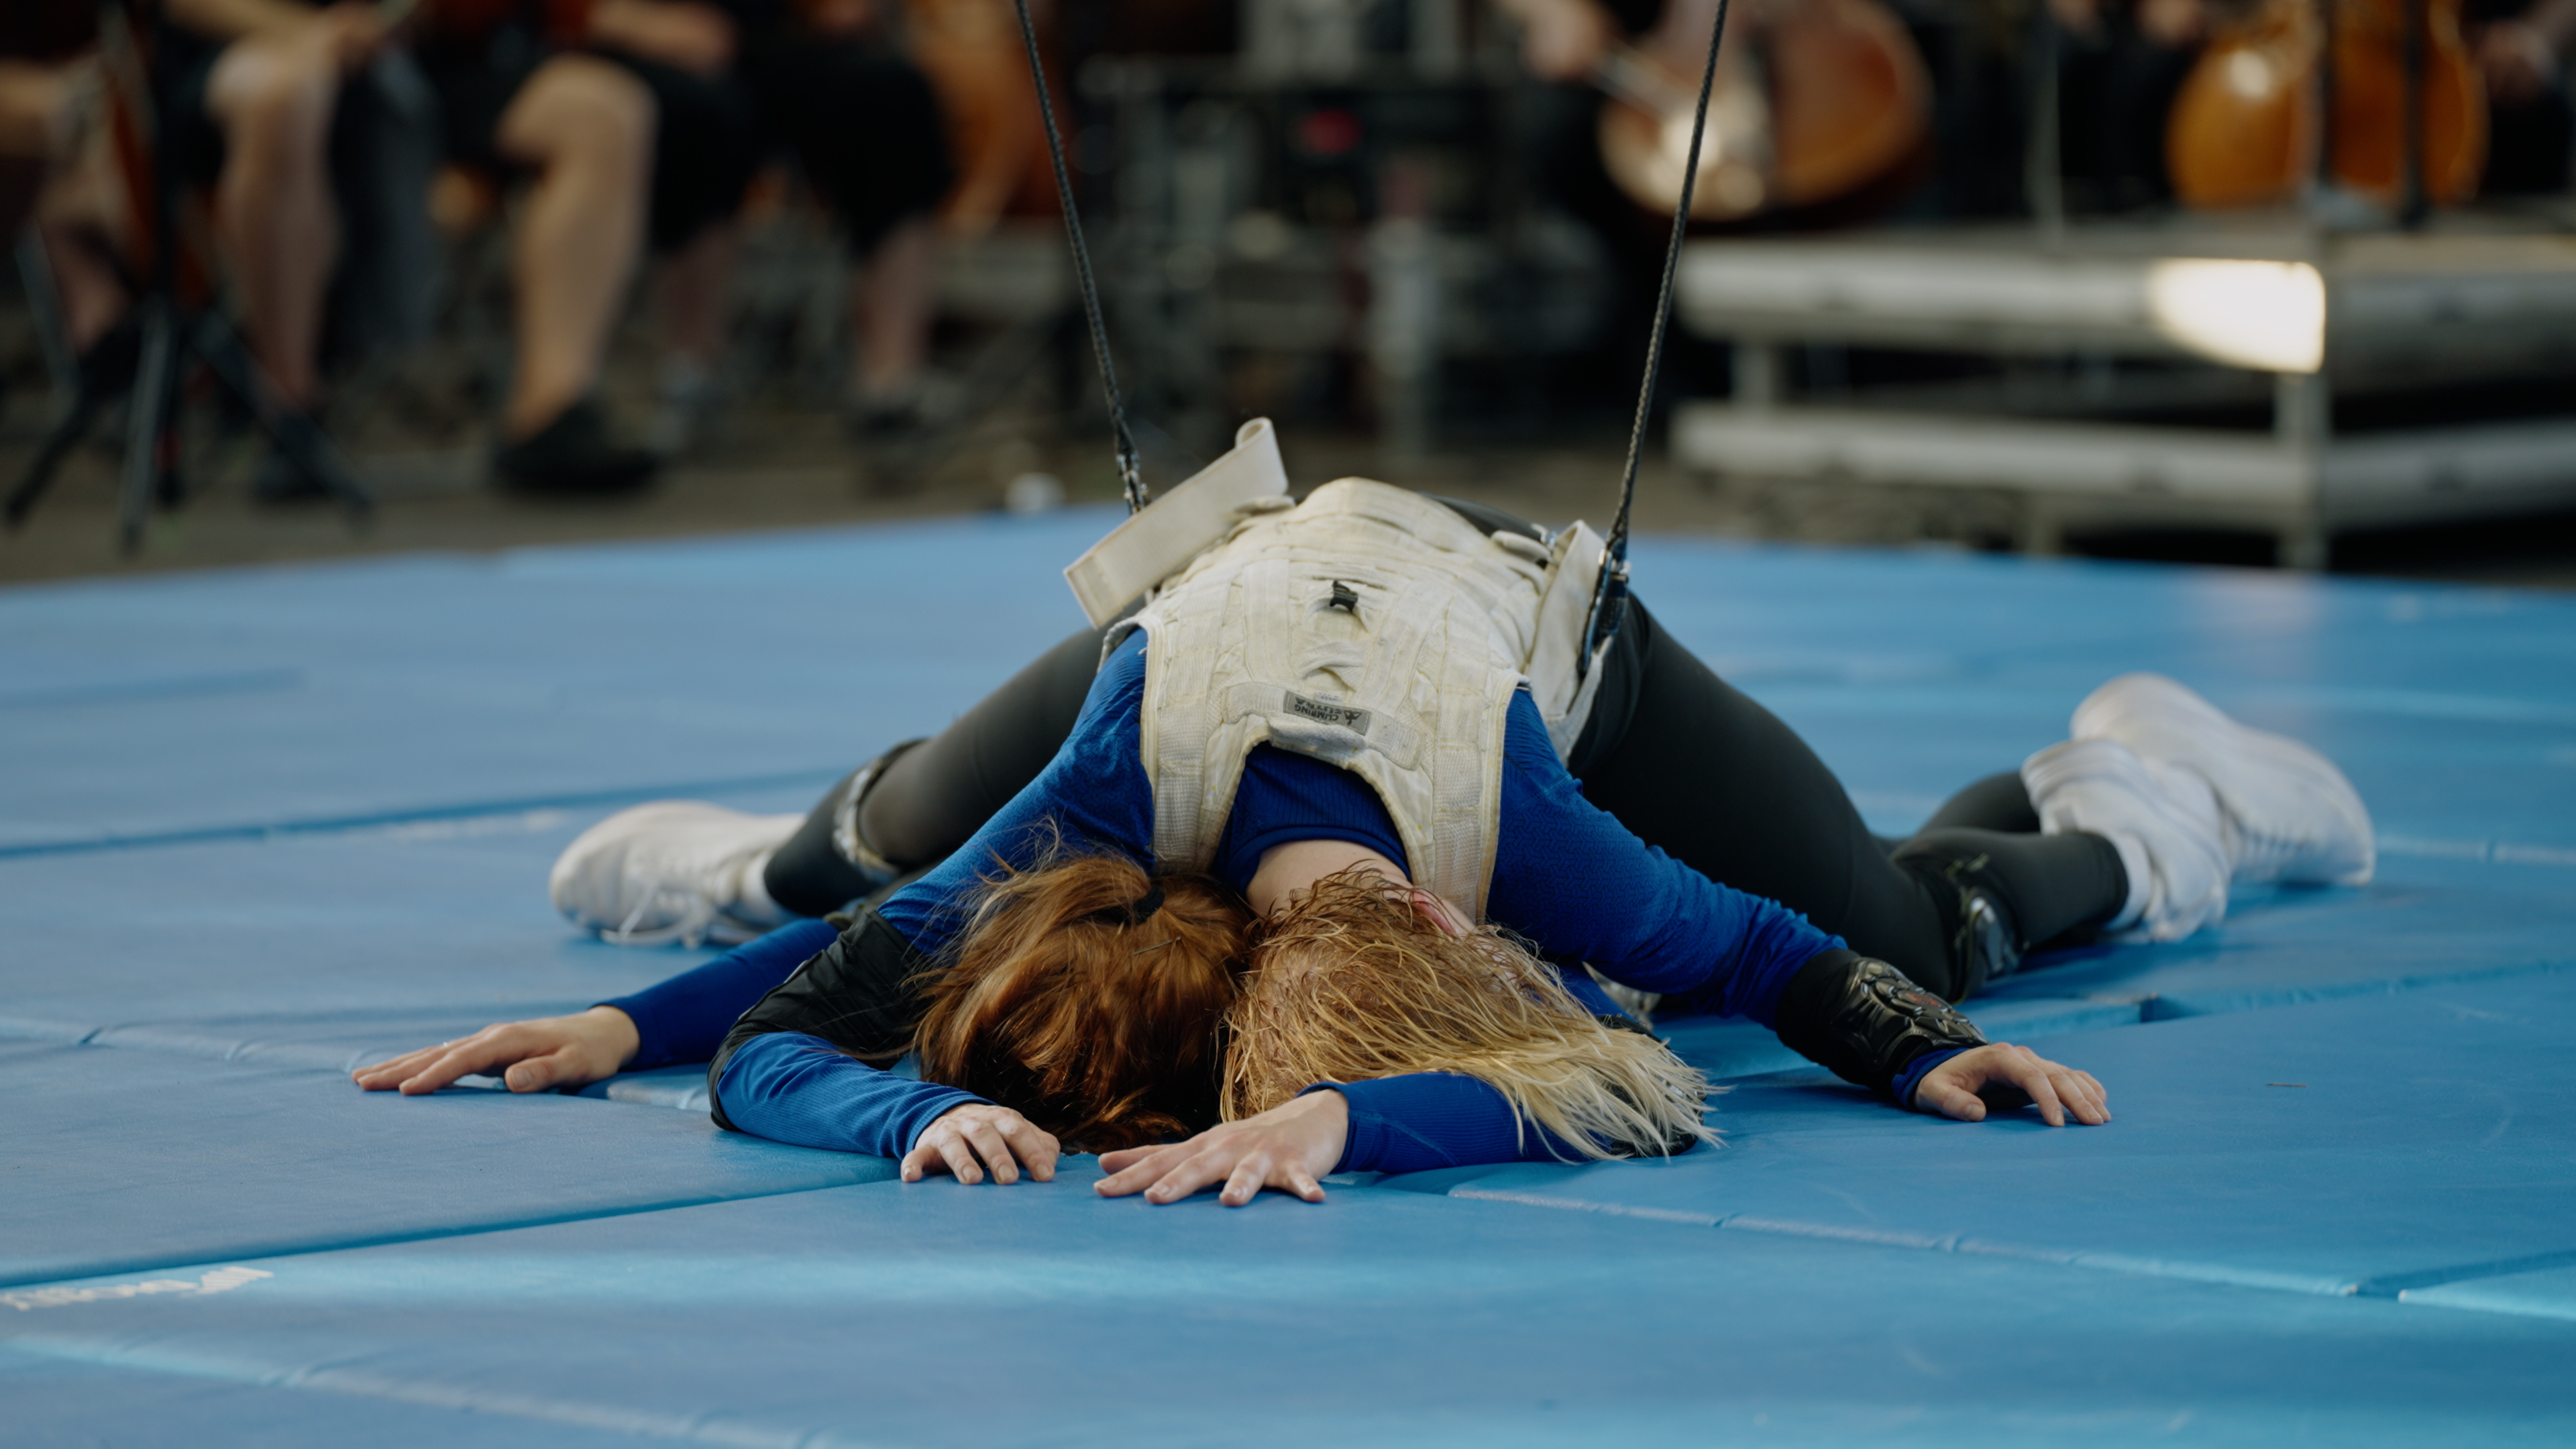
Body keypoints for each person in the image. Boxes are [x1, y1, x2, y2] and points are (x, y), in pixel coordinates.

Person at [359, 447, 2370, 1204]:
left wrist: (1922, 1039)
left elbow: (1770, 960)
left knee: (1910, 945)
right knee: (867, 883)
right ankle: (757, 848)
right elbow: (820, 995)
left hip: (1530, 641)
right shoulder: (1122, 822)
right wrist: (630, 1030)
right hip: (1213, 625)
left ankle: (2139, 807)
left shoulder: (1539, 845)